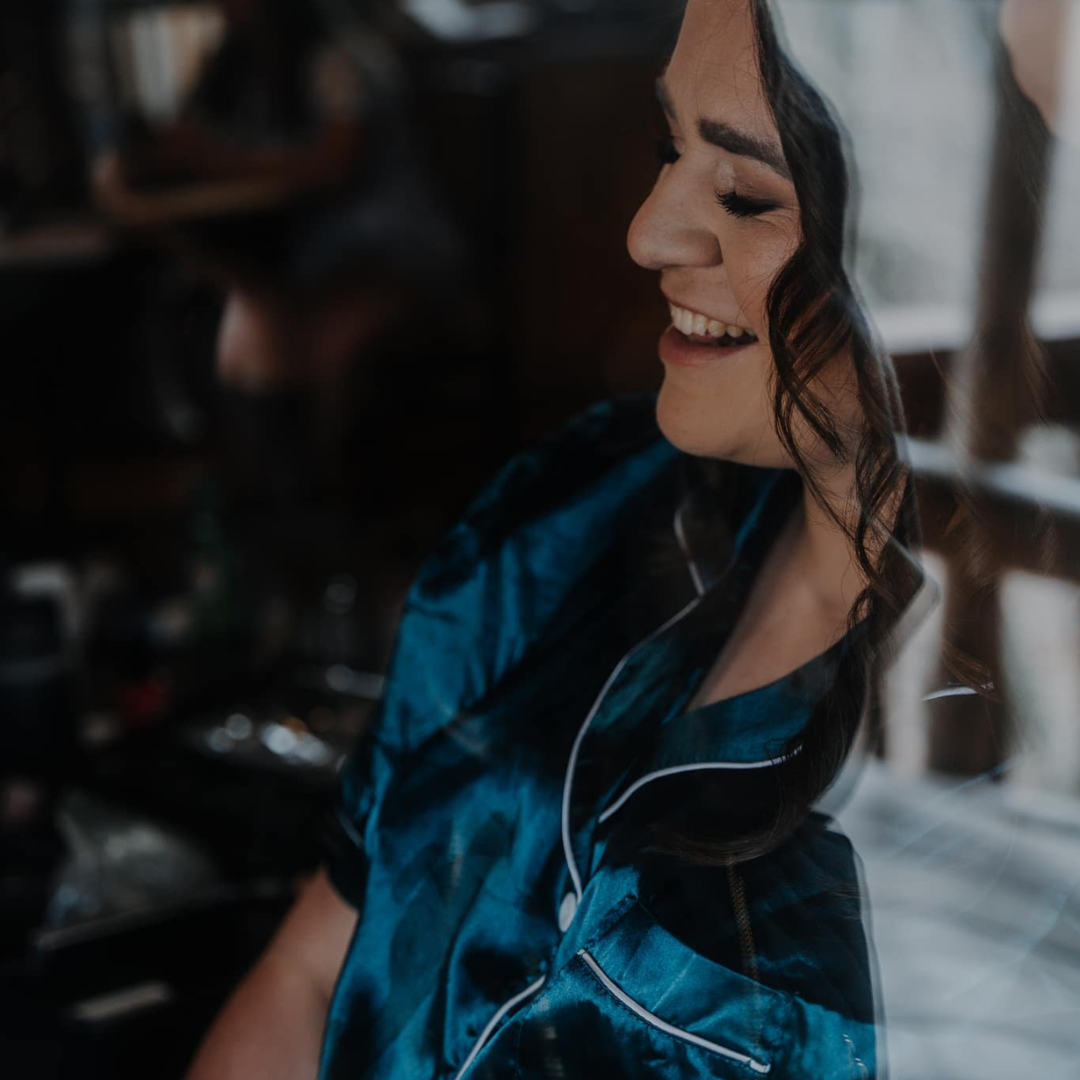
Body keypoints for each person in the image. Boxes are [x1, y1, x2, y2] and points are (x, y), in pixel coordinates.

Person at [184, 1, 930, 1078]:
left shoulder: (981, 752)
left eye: (744, 192)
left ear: (926, 252)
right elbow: (313, 970)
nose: (647, 232)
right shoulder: (568, 521)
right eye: (669, 146)